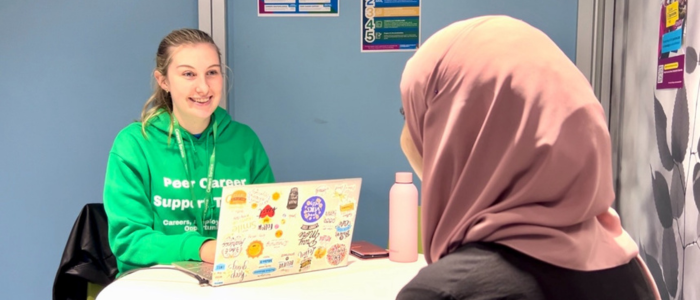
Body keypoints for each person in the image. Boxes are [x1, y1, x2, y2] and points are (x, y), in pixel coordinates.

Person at [395, 16, 660, 300]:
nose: (407, 134)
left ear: (460, 127)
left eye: (412, 115)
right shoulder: (629, 270)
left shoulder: (445, 292)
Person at [103, 29, 275, 276]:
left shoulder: (244, 140)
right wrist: (203, 247)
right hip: (156, 280)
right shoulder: (133, 144)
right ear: (163, 81)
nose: (203, 87)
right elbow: (129, 241)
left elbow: (266, 221)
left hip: (232, 277)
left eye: (212, 73)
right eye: (188, 74)